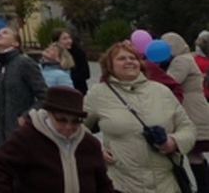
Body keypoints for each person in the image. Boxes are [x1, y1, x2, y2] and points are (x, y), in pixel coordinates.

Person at [84, 41, 196, 193]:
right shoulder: (98, 94)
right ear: (109, 65)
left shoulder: (161, 91)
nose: (129, 61)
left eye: (133, 58)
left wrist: (174, 142)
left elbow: (188, 128)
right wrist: (95, 149)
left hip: (165, 184)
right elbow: (76, 126)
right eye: (121, 58)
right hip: (122, 184)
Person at [0, 85, 114, 192]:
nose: (69, 127)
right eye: (62, 120)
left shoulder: (90, 144)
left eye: (76, 121)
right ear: (49, 114)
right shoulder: (27, 137)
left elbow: (103, 186)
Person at [0, 26, 47, 149]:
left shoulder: (24, 63)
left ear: (15, 43)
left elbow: (45, 96)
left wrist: (27, 116)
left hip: (22, 134)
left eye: (5, 33)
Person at [162, 32, 209, 191]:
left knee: (191, 150)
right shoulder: (187, 58)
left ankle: (200, 187)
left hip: (191, 109)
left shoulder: (181, 61)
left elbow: (170, 81)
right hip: (195, 107)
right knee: (194, 152)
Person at [53, 28, 92, 94]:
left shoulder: (78, 53)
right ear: (56, 41)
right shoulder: (52, 54)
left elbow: (86, 74)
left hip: (77, 89)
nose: (69, 41)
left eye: (69, 38)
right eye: (65, 39)